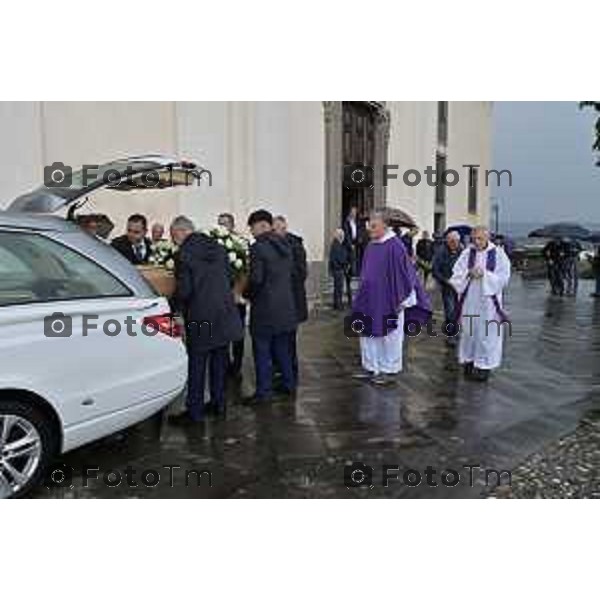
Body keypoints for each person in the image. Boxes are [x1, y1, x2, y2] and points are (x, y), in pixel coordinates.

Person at [169, 216, 243, 424]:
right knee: (220, 360)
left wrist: (173, 308)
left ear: (180, 233)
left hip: (201, 316)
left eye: (174, 236)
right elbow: (230, 277)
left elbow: (185, 290)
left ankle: (195, 412)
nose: (174, 241)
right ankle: (218, 404)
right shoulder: (218, 248)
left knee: (197, 364)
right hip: (224, 312)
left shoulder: (184, 254)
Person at [351, 209, 431, 386]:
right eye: (369, 226)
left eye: (373, 226)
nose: (369, 230)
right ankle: (370, 366)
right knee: (368, 333)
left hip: (391, 298)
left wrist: (404, 300)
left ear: (385, 226)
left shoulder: (395, 246)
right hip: (370, 298)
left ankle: (389, 370)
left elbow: (405, 274)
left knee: (390, 335)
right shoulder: (371, 245)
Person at [244, 209, 297, 402]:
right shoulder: (285, 244)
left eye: (252, 227)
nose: (251, 232)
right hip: (286, 306)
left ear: (263, 225)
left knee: (262, 351)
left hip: (265, 308)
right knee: (282, 349)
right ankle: (289, 384)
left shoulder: (259, 247)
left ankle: (264, 391)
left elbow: (257, 279)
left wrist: (245, 294)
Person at [450, 226, 511, 382]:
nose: (476, 242)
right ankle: (469, 362)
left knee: (487, 334)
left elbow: (503, 277)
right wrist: (468, 273)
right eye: (474, 239)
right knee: (470, 332)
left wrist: (485, 274)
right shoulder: (466, 253)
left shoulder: (498, 254)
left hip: (488, 303)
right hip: (470, 300)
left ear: (487, 238)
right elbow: (456, 273)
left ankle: (484, 367)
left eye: (480, 239)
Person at [273, 215, 308, 382]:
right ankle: (279, 369)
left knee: (289, 339)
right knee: (277, 338)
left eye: (280, 229)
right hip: (277, 301)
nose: (277, 232)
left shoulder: (295, 245)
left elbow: (301, 273)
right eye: (275, 229)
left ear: (285, 228)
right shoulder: (271, 245)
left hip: (292, 299)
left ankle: (290, 371)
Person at [217, 212, 246, 379]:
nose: (221, 226)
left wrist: (239, 291)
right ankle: (225, 363)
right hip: (219, 297)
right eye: (219, 223)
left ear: (232, 225)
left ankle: (237, 365)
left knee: (238, 333)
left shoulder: (239, 243)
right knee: (221, 332)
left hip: (236, 297)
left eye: (225, 223)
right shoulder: (214, 243)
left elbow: (245, 270)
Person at [432, 231, 463, 346]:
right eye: (451, 241)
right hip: (448, 287)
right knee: (450, 312)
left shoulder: (462, 251)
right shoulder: (441, 252)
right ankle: (451, 335)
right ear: (447, 241)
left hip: (460, 287)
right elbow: (435, 270)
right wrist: (445, 280)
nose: (454, 243)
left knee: (457, 312)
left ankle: (453, 331)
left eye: (456, 241)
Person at [329, 229, 351, 310]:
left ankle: (337, 304)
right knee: (338, 288)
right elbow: (339, 258)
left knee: (338, 288)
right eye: (342, 235)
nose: (343, 237)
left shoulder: (336, 244)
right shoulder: (336, 244)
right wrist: (345, 263)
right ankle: (338, 305)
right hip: (338, 269)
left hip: (338, 269)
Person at [342, 206, 364, 276]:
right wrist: (350, 244)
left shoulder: (357, 222)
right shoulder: (347, 222)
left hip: (357, 243)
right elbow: (347, 233)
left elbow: (360, 230)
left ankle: (357, 272)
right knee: (351, 259)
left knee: (357, 258)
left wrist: (360, 238)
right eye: (352, 212)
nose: (354, 214)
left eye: (355, 212)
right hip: (349, 243)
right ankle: (351, 273)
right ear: (350, 213)